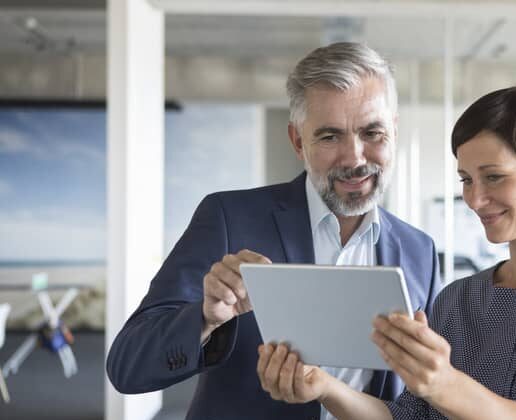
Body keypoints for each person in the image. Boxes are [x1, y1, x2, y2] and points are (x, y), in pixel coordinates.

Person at [256, 86, 516, 419]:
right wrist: (324, 386)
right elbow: (407, 417)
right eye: (466, 179)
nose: (475, 199)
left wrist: (444, 384)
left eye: (494, 176)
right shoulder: (459, 299)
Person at [105, 42, 442, 420]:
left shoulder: (420, 251)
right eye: (330, 136)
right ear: (298, 141)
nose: (355, 158)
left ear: (393, 132)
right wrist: (206, 318)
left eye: (372, 133)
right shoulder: (228, 219)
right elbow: (127, 367)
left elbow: (420, 400)